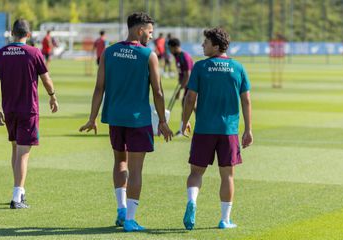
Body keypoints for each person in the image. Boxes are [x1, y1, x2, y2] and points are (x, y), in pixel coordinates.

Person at [79, 12, 173, 232]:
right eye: (149, 32)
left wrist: (93, 118)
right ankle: (130, 219)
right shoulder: (148, 55)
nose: (151, 36)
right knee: (136, 169)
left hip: (114, 117)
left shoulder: (109, 52)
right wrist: (162, 120)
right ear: (139, 30)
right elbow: (158, 92)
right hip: (138, 120)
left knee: (120, 162)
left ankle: (121, 209)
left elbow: (98, 88)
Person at [181, 27, 253, 230]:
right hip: (228, 130)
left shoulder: (201, 67)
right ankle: (225, 219)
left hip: (204, 128)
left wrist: (185, 120)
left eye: (206, 42)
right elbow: (246, 100)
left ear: (216, 45)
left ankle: (192, 201)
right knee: (227, 176)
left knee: (196, 173)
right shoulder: (238, 68)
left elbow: (190, 99)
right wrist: (248, 129)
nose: (202, 45)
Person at [0, 19, 58, 209]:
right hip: (28, 109)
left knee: (15, 150)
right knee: (23, 154)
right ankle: (17, 196)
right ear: (28, 34)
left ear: (12, 33)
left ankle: (20, 190)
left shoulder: (1, 53)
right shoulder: (34, 53)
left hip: (9, 109)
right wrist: (52, 96)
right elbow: (46, 79)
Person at [167, 38, 194, 136]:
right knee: (191, 107)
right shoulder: (177, 56)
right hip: (188, 85)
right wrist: (180, 81)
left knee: (187, 105)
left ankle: (184, 130)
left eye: (170, 48)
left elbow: (188, 75)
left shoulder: (184, 56)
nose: (169, 50)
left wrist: (180, 90)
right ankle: (184, 129)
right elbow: (181, 73)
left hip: (192, 85)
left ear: (175, 47)